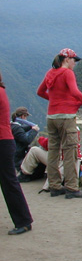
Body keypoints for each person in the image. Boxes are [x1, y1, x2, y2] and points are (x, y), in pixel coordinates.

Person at [37, 48, 82, 199]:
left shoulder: (50, 73)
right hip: (66, 117)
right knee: (69, 151)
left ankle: (54, 186)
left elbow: (40, 91)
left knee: (53, 151)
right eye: (74, 60)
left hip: (51, 117)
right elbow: (74, 91)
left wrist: (54, 101)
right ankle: (72, 188)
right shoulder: (67, 73)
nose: (75, 63)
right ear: (67, 59)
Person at [0, 69, 34, 235]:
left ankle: (23, 221)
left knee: (9, 182)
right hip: (4, 141)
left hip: (2, 142)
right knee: (9, 181)